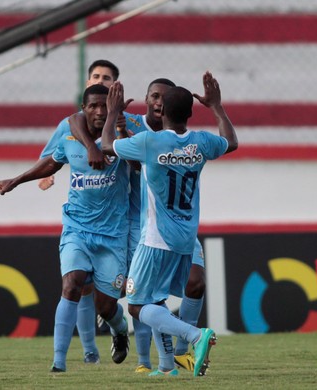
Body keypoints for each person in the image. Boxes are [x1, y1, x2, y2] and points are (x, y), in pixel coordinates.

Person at [100, 71, 237, 376]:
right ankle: (166, 367)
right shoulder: (201, 142)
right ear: (191, 113)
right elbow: (231, 142)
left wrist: (112, 114)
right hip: (187, 240)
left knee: (136, 305)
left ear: (161, 112)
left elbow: (108, 146)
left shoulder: (150, 142)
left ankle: (193, 336)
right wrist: (216, 106)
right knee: (156, 300)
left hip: (155, 239)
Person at [69, 78, 208, 374]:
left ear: (170, 106)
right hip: (145, 227)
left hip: (179, 231)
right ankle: (155, 363)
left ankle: (187, 348)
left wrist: (116, 128)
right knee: (148, 300)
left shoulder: (185, 138)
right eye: (154, 96)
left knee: (190, 285)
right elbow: (79, 124)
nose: (158, 102)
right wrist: (118, 124)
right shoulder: (137, 127)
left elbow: (115, 150)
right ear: (146, 100)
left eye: (163, 98)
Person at [0, 84, 131, 371]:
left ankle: (119, 329)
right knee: (72, 284)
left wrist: (121, 134)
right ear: (84, 108)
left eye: (105, 105)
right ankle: (58, 364)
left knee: (105, 307)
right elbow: (52, 163)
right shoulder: (69, 135)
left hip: (113, 233)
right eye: (93, 106)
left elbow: (140, 164)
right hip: (76, 227)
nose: (100, 111)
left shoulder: (121, 136)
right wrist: (15, 181)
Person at [36, 59, 122, 365]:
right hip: (83, 220)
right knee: (78, 284)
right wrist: (46, 174)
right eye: (96, 76)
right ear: (88, 84)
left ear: (117, 86)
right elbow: (51, 154)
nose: (101, 80)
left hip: (120, 221)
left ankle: (117, 329)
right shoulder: (70, 122)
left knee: (106, 299)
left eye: (107, 77)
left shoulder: (126, 123)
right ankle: (87, 352)